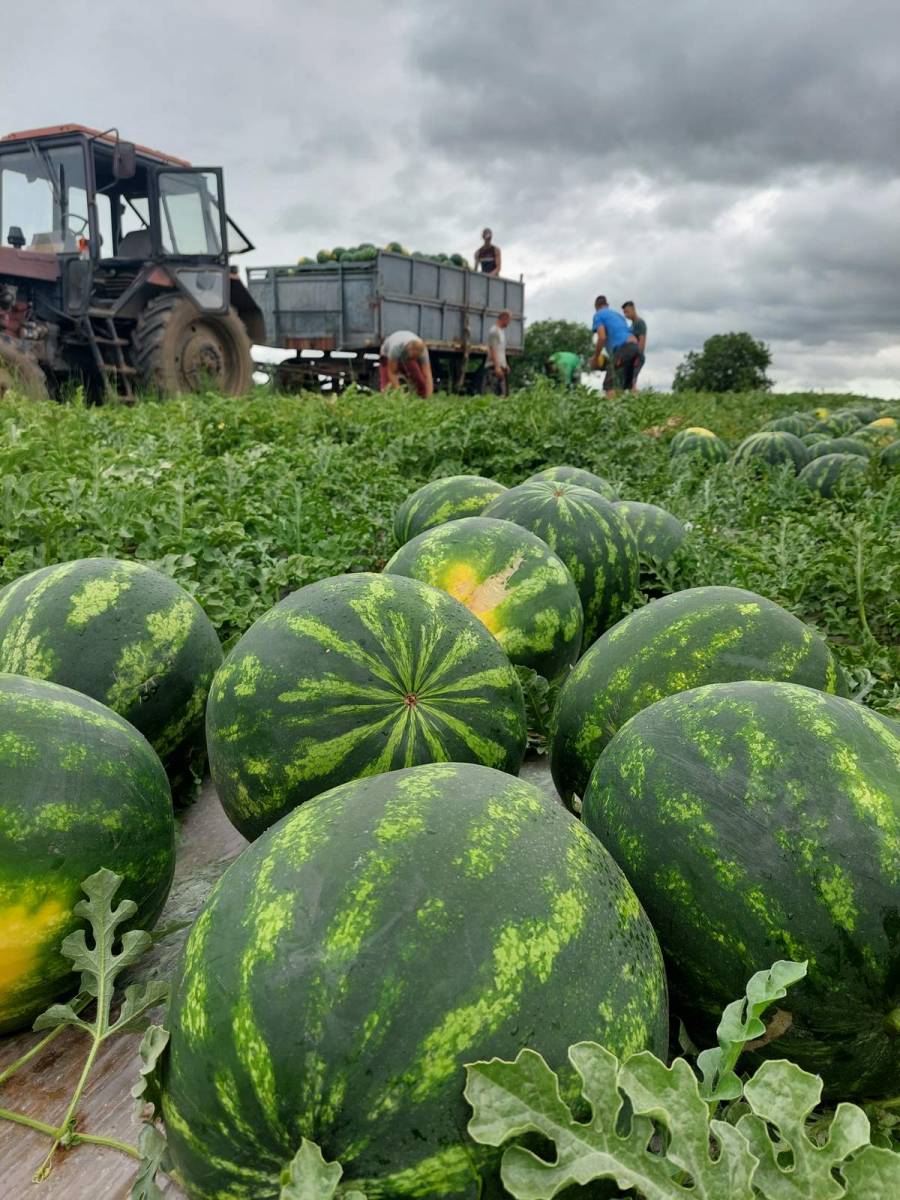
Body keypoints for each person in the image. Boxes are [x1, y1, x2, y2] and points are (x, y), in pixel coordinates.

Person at [590, 295, 639, 398]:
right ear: (607, 305)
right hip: (634, 347)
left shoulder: (598, 315)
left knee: (609, 384)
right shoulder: (618, 316)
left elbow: (602, 337)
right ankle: (638, 406)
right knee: (628, 384)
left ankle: (611, 408)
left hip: (623, 348)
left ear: (596, 306)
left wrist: (595, 358)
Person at [379, 330, 434, 397]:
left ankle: (422, 398)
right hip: (387, 355)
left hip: (406, 356)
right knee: (387, 385)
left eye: (416, 358)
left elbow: (427, 375)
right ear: (409, 350)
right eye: (412, 357)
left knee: (420, 381)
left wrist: (429, 396)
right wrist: (399, 393)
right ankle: (386, 398)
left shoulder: (423, 352)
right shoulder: (396, 348)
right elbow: (392, 372)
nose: (414, 359)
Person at [622, 300, 647, 392]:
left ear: (633, 309)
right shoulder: (632, 325)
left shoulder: (640, 323)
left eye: (627, 312)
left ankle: (635, 399)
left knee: (633, 382)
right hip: (630, 357)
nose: (626, 315)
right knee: (627, 383)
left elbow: (642, 341)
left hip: (637, 357)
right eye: (624, 313)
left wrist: (637, 357)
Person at [487, 309, 512, 395]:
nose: (509, 323)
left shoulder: (501, 331)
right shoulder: (494, 331)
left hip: (501, 367)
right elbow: (493, 349)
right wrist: (497, 367)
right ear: (504, 318)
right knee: (496, 395)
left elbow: (500, 350)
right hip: (494, 367)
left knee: (503, 395)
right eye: (509, 320)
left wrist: (505, 364)